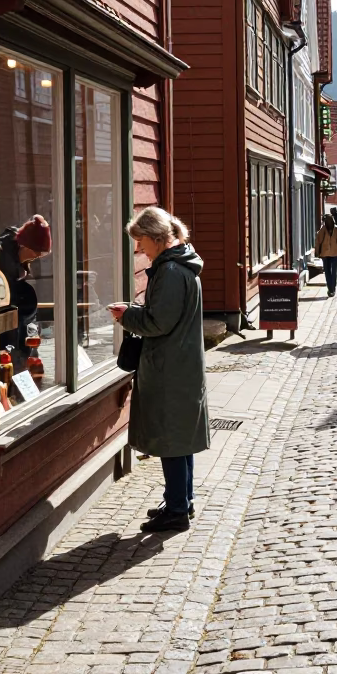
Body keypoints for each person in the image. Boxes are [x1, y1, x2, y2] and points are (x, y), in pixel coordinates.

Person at [110, 206, 209, 534]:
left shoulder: (169, 272)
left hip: (171, 369)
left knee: (172, 441)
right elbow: (167, 315)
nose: (139, 249)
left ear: (156, 239)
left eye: (141, 242)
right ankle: (181, 499)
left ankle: (178, 509)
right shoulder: (181, 265)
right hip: (180, 365)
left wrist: (127, 315)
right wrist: (136, 310)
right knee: (181, 440)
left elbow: (158, 322)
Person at [0, 214, 52, 370]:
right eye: (37, 253)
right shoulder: (3, 261)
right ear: (25, 246)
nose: (37, 257)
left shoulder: (17, 258)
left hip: (19, 319)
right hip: (6, 321)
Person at [314, 213, 337, 297]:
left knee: (329, 272)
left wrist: (317, 252)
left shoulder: (333, 230)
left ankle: (331, 289)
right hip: (332, 254)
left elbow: (318, 242)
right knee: (332, 272)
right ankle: (332, 289)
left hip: (329, 254)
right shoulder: (324, 230)